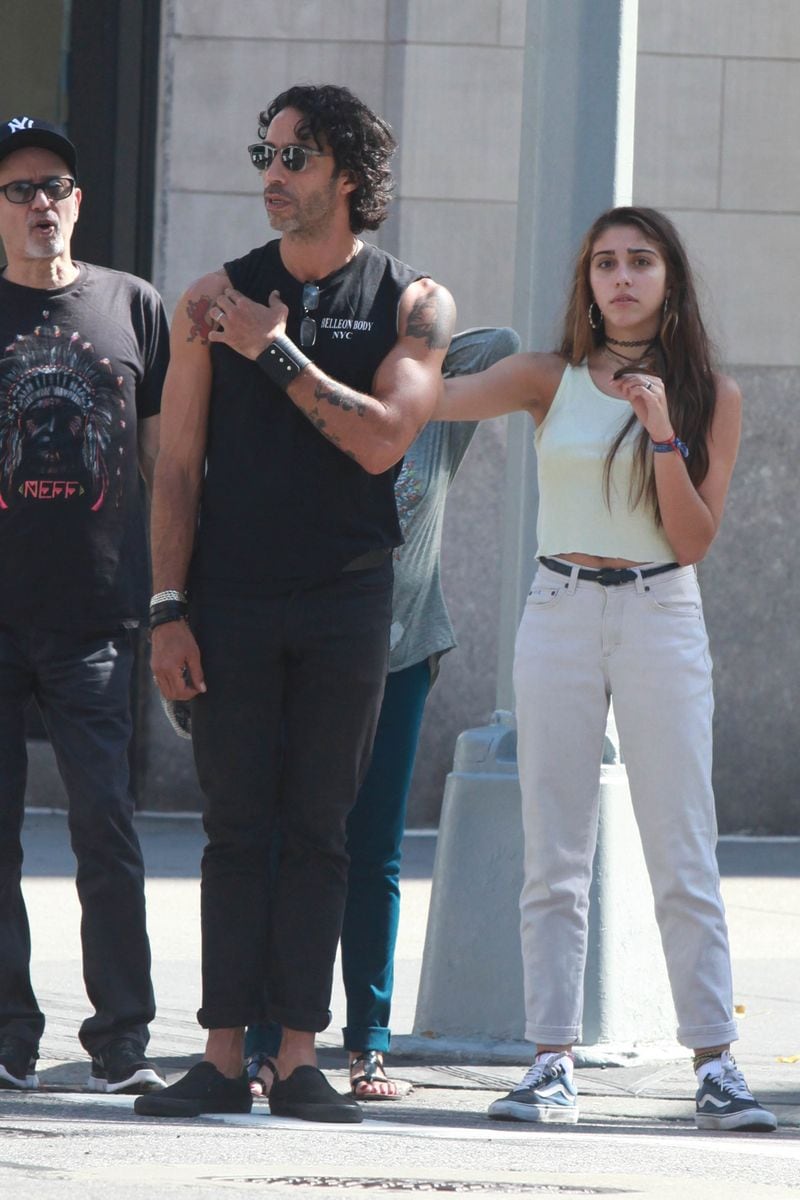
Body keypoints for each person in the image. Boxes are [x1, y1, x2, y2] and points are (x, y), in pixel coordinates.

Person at [137, 84, 455, 1124]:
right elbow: (176, 469)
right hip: (227, 596)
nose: (271, 176)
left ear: (349, 177)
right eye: (262, 154)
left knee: (322, 827)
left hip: (346, 599)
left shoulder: (414, 304)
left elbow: (379, 439)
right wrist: (166, 607)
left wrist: (269, 349)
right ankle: (224, 1055)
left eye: (295, 157)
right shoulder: (210, 299)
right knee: (234, 826)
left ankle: (301, 1056)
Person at [434, 206, 776, 1133]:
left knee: (682, 846)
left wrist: (663, 429)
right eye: (605, 264)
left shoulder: (712, 394)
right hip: (560, 607)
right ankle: (551, 1061)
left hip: (661, 608)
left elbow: (694, 539)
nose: (621, 279)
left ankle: (714, 1062)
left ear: (670, 280)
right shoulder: (550, 378)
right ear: (587, 282)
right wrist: (370, 332)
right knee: (556, 849)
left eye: (640, 262)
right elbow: (427, 397)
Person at [244, 326, 520, 1102]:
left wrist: (413, 340)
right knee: (289, 839)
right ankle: (266, 1040)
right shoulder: (316, 411)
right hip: (312, 652)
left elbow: (500, 343)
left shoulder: (429, 418)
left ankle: (367, 1044)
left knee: (375, 849)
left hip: (401, 654)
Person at [0, 117, 169, 1095]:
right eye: (18, 189)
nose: (37, 204)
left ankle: (119, 1044)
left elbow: (165, 462)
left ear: (77, 200)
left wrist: (176, 592)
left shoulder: (131, 308)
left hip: (97, 615)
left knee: (106, 826)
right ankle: (10, 1039)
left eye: (53, 184)